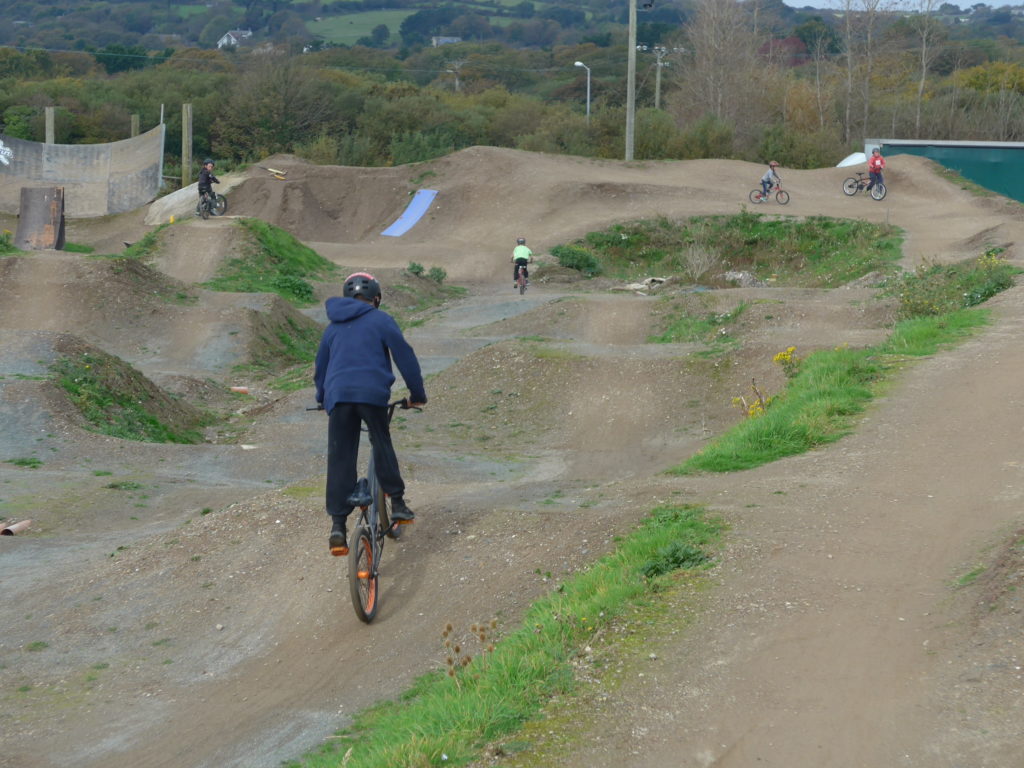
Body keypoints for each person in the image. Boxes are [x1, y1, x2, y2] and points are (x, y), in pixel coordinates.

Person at [314, 272, 428, 556]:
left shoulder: (332, 328)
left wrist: (322, 399)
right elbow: (405, 357)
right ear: (375, 298)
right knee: (381, 442)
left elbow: (321, 369)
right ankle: (398, 504)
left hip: (338, 397)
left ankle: (338, 527)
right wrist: (417, 395)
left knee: (340, 456)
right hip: (371, 395)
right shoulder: (381, 320)